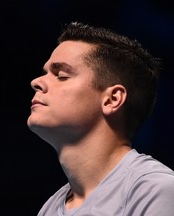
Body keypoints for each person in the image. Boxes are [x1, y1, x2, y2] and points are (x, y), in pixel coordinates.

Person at [27, 21, 174, 216]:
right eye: (45, 73)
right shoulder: (50, 209)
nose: (36, 82)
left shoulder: (155, 190)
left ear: (112, 99)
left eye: (61, 75)